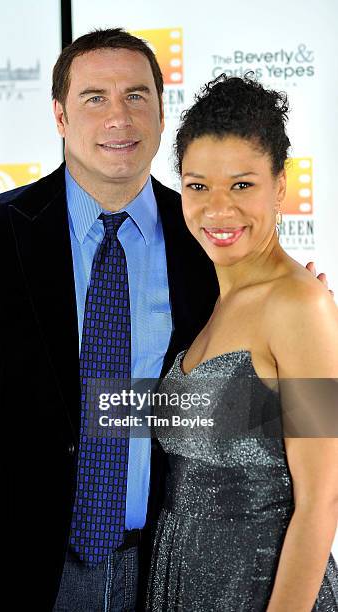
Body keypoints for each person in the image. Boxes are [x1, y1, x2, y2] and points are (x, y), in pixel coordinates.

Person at [0, 30, 329, 612]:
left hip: (165, 571)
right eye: (94, 98)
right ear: (59, 115)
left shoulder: (209, 245)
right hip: (21, 571)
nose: (119, 117)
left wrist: (305, 345)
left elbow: (216, 398)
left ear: (160, 109)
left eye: (136, 95)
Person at [146, 74, 338, 611]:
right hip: (177, 582)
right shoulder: (212, 299)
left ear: (281, 185)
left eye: (242, 184)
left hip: (260, 591)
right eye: (197, 185)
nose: (217, 209)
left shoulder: (303, 306)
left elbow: (322, 501)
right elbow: (196, 421)